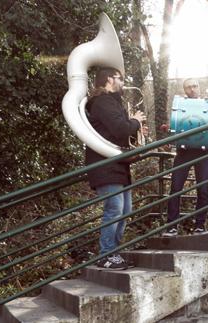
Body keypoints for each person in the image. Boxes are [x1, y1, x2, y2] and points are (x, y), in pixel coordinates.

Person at [85, 67, 146, 270]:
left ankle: (114, 254)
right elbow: (120, 129)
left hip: (117, 164)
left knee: (125, 210)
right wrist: (135, 122)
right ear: (110, 79)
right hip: (104, 164)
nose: (123, 82)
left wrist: (135, 127)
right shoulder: (103, 102)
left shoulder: (112, 102)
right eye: (120, 78)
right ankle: (106, 255)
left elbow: (121, 132)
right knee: (115, 209)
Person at [163, 78, 208, 237]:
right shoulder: (180, 104)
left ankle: (200, 226)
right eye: (188, 87)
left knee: (203, 189)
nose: (192, 89)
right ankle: (171, 226)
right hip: (183, 152)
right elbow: (176, 125)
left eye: (194, 86)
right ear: (184, 90)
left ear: (199, 87)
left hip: (204, 152)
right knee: (175, 188)